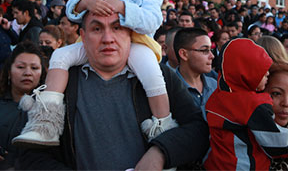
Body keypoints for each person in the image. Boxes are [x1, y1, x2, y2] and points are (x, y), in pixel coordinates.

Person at [12, 0, 176, 147]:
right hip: (99, 43)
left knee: (152, 74)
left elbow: (152, 21)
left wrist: (123, 7)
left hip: (137, 45)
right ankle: (46, 124)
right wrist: (87, 3)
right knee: (60, 55)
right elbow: (72, 9)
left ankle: (162, 132)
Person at [17, 11, 209, 170]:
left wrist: (160, 152)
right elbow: (30, 154)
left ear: (130, 35)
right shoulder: (60, 83)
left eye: (117, 28)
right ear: (83, 36)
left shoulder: (160, 77)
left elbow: (197, 130)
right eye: (97, 29)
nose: (107, 39)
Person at [204, 39, 288, 170]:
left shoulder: (216, 97)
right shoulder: (253, 105)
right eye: (261, 70)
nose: (267, 74)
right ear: (246, 73)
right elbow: (277, 144)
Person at [0, 41, 46, 169]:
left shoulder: (48, 109)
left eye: (34, 68)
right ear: (9, 71)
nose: (28, 73)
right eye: (21, 67)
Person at [173, 27, 217, 119]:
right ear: (184, 54)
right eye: (205, 50)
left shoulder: (215, 85)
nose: (211, 56)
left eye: (211, 50)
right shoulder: (169, 90)